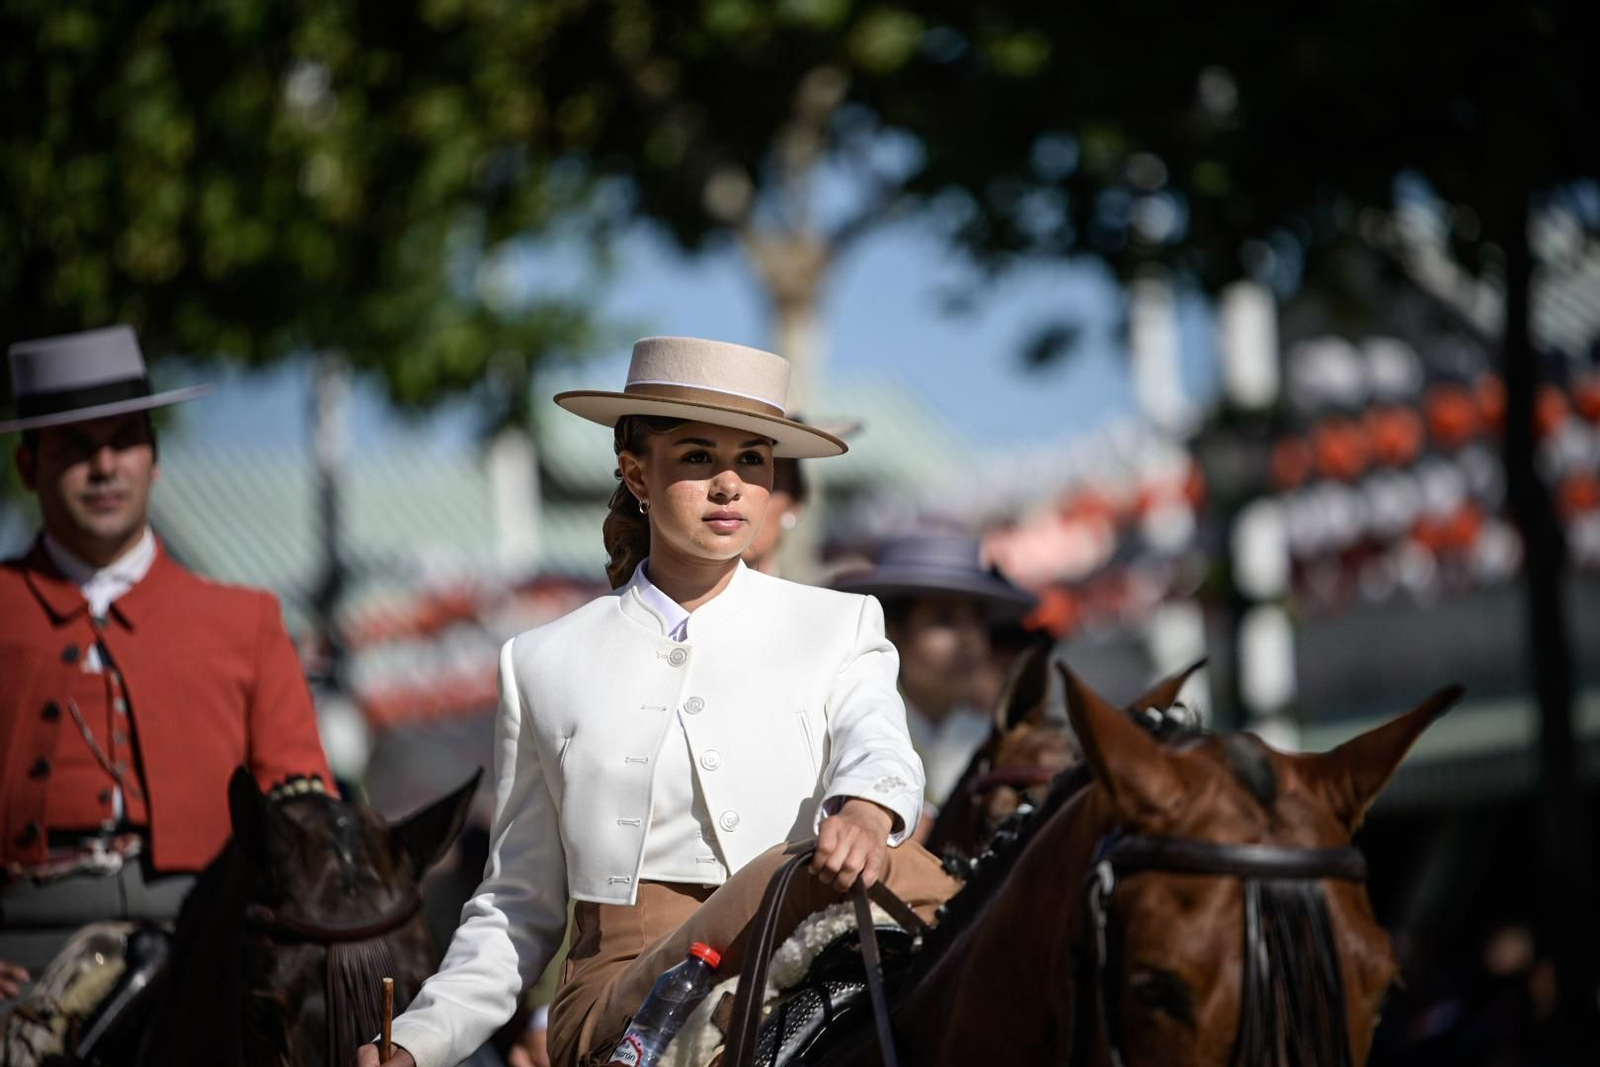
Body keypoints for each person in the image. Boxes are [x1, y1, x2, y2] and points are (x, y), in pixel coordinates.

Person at [361, 337, 958, 1067]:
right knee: (806, 871)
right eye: (699, 457)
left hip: (818, 942)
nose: (730, 485)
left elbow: (879, 743)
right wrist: (417, 1042)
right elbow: (516, 907)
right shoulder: (541, 661)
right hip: (627, 1003)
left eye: (752, 460)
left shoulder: (841, 623)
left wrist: (866, 811)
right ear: (637, 473)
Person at [0, 326, 334, 1004]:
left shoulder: (246, 620)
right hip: (20, 947)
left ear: (154, 457)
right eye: (75, 447)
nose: (104, 467)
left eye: (125, 440)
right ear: (28, 467)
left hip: (210, 943)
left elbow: (303, 814)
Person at [834, 534, 1037, 814]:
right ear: (893, 631)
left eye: (977, 621)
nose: (969, 640)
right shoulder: (851, 729)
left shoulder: (991, 742)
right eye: (944, 620)